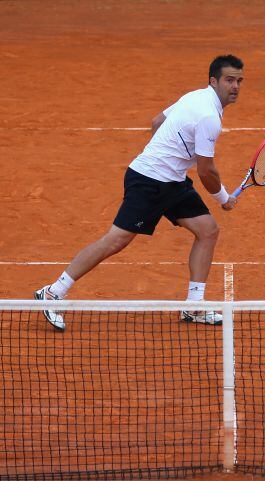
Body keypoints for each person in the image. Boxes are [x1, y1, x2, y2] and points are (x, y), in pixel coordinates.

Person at [34, 54, 245, 330]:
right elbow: (206, 171)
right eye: (229, 80)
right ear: (213, 81)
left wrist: (162, 157)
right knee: (116, 240)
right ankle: (53, 292)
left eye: (239, 81)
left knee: (208, 230)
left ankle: (194, 306)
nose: (235, 86)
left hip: (171, 180)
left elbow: (157, 122)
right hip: (149, 182)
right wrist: (224, 199)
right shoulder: (208, 116)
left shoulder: (194, 97)